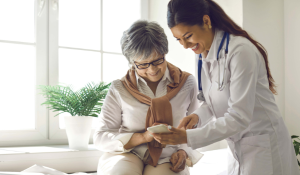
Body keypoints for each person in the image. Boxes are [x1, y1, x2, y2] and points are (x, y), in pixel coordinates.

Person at [151, 0, 300, 175]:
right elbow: (213, 101)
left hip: (263, 143)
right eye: (179, 40)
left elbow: (238, 117)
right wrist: (197, 117)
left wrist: (187, 137)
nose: (185, 45)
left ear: (206, 21)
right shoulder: (202, 55)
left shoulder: (240, 51)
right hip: (237, 146)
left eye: (188, 36)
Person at [93, 20, 202, 175]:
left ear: (165, 53)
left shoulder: (187, 83)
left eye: (157, 60)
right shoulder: (119, 88)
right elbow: (101, 136)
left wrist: (184, 152)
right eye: (143, 64)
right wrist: (143, 137)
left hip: (168, 156)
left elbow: (196, 128)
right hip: (127, 152)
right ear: (132, 62)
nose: (152, 70)